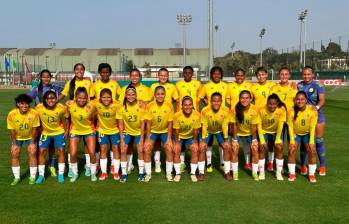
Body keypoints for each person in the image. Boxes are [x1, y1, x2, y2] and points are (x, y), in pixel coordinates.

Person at [58, 63, 96, 178]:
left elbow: (93, 97)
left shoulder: (88, 82)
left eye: (81, 69)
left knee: (87, 146)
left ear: (84, 71)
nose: (79, 71)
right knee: (72, 148)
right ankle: (71, 169)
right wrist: (54, 101)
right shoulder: (70, 83)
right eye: (77, 69)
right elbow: (63, 94)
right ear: (74, 71)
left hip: (86, 112)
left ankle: (88, 167)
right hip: (73, 111)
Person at [27, 69, 63, 177]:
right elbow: (27, 99)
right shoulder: (36, 89)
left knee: (52, 146)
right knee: (39, 146)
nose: (46, 78)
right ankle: (37, 168)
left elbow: (65, 92)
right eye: (44, 77)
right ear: (40, 78)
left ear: (50, 77)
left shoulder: (55, 87)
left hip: (52, 120)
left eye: (48, 77)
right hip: (39, 121)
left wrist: (57, 100)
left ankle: (52, 166)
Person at [118, 68, 151, 174]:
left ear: (139, 76)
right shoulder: (124, 89)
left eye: (137, 75)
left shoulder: (146, 89)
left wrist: (141, 103)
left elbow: (146, 105)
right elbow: (121, 104)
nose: (134, 77)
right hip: (128, 121)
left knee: (141, 145)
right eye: (132, 75)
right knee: (128, 144)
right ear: (130, 77)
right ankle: (129, 164)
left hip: (140, 120)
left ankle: (146, 166)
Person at [92, 63, 121, 174]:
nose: (105, 74)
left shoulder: (114, 84)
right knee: (100, 144)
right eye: (103, 72)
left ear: (110, 73)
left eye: (107, 72)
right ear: (100, 73)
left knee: (114, 145)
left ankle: (114, 165)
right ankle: (99, 163)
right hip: (100, 115)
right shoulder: (95, 85)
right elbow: (90, 100)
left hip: (113, 116)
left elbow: (121, 97)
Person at [198, 66, 228, 173]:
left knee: (222, 143)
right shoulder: (206, 86)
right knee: (209, 143)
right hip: (210, 118)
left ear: (221, 75)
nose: (216, 75)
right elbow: (200, 97)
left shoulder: (225, 86)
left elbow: (228, 99)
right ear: (211, 75)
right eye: (214, 73)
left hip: (221, 118)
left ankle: (222, 163)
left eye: (218, 73)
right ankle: (209, 164)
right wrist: (206, 100)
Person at [297, 66, 326, 176]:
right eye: (304, 74)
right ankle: (303, 166)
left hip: (317, 117)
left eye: (308, 74)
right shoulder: (299, 85)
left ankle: (322, 166)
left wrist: (316, 108)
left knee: (318, 141)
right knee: (305, 142)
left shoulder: (318, 85)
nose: (306, 76)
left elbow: (322, 100)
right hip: (302, 118)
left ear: (312, 74)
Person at [149, 68, 178, 173]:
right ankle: (157, 163)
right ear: (158, 75)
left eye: (165, 75)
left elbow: (175, 99)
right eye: (161, 75)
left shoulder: (172, 86)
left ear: (168, 76)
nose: (163, 77)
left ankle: (171, 163)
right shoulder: (153, 86)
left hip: (168, 117)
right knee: (156, 143)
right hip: (156, 118)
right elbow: (150, 100)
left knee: (169, 143)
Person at [66, 87, 97, 182]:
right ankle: (75, 173)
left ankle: (92, 173)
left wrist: (96, 125)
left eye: (84, 98)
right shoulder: (70, 105)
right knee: (73, 153)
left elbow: (97, 115)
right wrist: (67, 130)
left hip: (89, 131)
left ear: (87, 98)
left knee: (92, 152)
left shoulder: (91, 106)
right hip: (75, 131)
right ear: (76, 97)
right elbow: (67, 117)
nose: (82, 100)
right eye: (79, 97)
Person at [7, 94, 40, 185]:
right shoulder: (12, 114)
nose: (25, 106)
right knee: (15, 153)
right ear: (18, 104)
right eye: (22, 104)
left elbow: (34, 129)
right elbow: (11, 130)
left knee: (32, 152)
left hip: (30, 136)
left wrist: (32, 143)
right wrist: (14, 144)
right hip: (17, 137)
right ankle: (16, 177)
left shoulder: (34, 113)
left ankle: (32, 177)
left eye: (27, 104)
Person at [35, 91, 68, 184]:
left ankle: (60, 174)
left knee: (61, 150)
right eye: (48, 98)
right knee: (41, 151)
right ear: (45, 100)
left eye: (53, 98)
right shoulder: (39, 107)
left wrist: (66, 130)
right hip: (45, 132)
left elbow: (66, 118)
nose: (51, 100)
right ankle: (41, 175)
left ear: (56, 98)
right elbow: (34, 117)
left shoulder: (61, 107)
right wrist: (38, 129)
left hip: (58, 132)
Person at [144, 86, 174, 182]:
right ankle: (148, 173)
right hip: (153, 131)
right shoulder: (149, 106)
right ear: (154, 95)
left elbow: (170, 124)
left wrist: (169, 139)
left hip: (165, 131)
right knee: (147, 148)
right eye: (158, 94)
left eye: (162, 94)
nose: (160, 96)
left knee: (169, 148)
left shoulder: (169, 106)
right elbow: (148, 123)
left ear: (165, 95)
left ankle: (169, 173)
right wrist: (148, 138)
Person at [287, 91, 318, 183]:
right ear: (295, 100)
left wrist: (312, 142)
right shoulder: (291, 111)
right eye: (298, 99)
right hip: (296, 134)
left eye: (302, 99)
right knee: (291, 151)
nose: (300, 101)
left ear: (306, 100)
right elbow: (290, 127)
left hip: (308, 134)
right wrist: (292, 141)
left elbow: (313, 127)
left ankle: (311, 174)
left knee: (312, 151)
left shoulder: (312, 110)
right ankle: (292, 173)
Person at [226, 68, 253, 171]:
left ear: (244, 76)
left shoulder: (249, 86)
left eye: (242, 75)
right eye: (238, 75)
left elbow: (252, 98)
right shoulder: (230, 86)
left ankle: (247, 162)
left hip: (246, 116)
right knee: (234, 140)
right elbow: (228, 100)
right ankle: (233, 163)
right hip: (234, 116)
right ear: (235, 76)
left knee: (247, 140)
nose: (240, 77)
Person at [200, 92, 231, 181]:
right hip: (208, 130)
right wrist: (202, 140)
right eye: (214, 101)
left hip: (219, 130)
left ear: (221, 101)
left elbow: (225, 125)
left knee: (226, 147)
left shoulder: (225, 110)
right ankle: (201, 172)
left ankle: (227, 172)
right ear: (210, 101)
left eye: (218, 101)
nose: (216, 103)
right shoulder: (205, 110)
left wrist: (226, 140)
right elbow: (204, 125)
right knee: (202, 148)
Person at [118, 85, 146, 183]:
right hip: (127, 132)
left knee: (140, 150)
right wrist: (122, 140)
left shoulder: (141, 107)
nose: (131, 96)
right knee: (123, 150)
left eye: (133, 94)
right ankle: (124, 173)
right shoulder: (121, 108)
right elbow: (121, 125)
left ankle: (142, 173)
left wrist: (142, 139)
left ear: (136, 95)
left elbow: (143, 124)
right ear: (125, 95)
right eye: (128, 94)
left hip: (139, 132)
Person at [95, 88, 124, 181]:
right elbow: (86, 102)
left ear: (112, 98)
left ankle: (116, 171)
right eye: (104, 97)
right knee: (103, 149)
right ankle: (104, 172)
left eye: (108, 97)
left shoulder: (117, 105)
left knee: (115, 149)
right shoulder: (96, 104)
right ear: (100, 98)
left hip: (114, 130)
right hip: (102, 131)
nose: (106, 99)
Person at [230, 90, 260, 181]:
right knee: (235, 149)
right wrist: (235, 140)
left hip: (250, 133)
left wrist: (254, 140)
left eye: (247, 98)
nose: (245, 100)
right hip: (238, 133)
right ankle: (235, 173)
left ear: (250, 99)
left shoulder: (254, 109)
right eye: (242, 98)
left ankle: (254, 172)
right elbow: (234, 125)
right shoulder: (234, 110)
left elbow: (254, 126)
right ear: (239, 99)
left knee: (255, 149)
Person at [257, 94, 286, 180]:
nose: (272, 106)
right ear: (267, 103)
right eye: (270, 104)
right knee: (261, 147)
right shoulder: (261, 110)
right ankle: (262, 173)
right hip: (264, 131)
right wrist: (262, 140)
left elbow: (281, 125)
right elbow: (259, 126)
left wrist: (277, 139)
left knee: (279, 147)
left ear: (277, 104)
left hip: (276, 131)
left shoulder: (282, 110)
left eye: (274, 104)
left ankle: (278, 173)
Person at [251, 67, 276, 171]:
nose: (261, 77)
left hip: (271, 117)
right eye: (259, 75)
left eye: (263, 74)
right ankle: (260, 164)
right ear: (257, 76)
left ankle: (270, 163)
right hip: (259, 118)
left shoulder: (273, 86)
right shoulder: (253, 87)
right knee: (261, 143)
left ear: (266, 74)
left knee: (272, 143)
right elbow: (250, 100)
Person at [173, 96, 201, 182]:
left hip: (191, 136)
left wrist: (195, 142)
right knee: (176, 149)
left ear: (192, 105)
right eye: (185, 105)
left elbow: (196, 131)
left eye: (189, 105)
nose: (187, 107)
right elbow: (176, 131)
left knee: (195, 149)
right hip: (180, 136)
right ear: (182, 106)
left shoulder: (197, 115)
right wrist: (177, 142)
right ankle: (178, 173)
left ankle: (193, 173)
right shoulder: (177, 115)